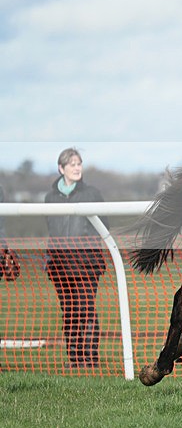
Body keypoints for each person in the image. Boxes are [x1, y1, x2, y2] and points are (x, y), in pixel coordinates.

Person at [45, 148, 107, 368]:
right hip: (60, 266)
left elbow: (104, 227)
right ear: (61, 168)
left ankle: (90, 359)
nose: (77, 168)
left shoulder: (92, 194)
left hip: (86, 264)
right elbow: (51, 228)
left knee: (86, 310)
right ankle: (74, 358)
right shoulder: (50, 198)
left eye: (79, 164)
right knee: (69, 312)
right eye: (72, 164)